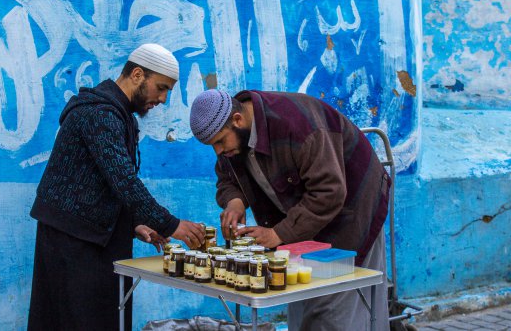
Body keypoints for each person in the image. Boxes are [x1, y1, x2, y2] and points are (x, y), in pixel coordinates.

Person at [28, 44, 205, 331]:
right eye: (160, 88)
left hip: (94, 235)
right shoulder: (100, 114)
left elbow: (107, 181)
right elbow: (124, 180)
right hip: (72, 239)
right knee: (76, 321)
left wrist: (136, 222)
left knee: (103, 317)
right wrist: (172, 225)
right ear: (137, 74)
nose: (162, 99)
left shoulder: (118, 115)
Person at [189, 89, 391, 331]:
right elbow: (227, 178)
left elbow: (329, 192)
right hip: (302, 219)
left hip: (354, 208)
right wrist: (235, 201)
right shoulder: (233, 136)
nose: (219, 151)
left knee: (335, 305)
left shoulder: (299, 126)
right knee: (300, 294)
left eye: (220, 142)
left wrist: (277, 234)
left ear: (237, 120)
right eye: (213, 146)